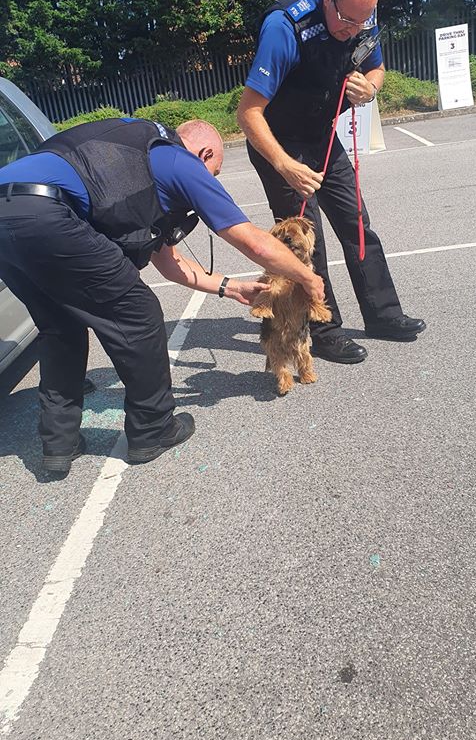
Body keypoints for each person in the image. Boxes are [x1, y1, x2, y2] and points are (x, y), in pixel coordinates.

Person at [0, 116, 324, 473]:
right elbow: (253, 241)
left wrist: (229, 287)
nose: (209, 181)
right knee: (139, 313)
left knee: (60, 327)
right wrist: (308, 278)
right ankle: (153, 429)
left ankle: (59, 443)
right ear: (204, 153)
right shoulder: (179, 161)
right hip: (48, 212)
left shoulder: (131, 163)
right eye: (213, 172)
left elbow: (169, 263)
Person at [237, 0, 426, 365]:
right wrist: (284, 165)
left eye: (362, 21)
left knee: (357, 223)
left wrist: (369, 89)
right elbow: (247, 114)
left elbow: (377, 71)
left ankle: (382, 315)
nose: (353, 30)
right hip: (278, 142)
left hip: (322, 136)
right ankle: (324, 330)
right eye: (346, 20)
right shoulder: (285, 27)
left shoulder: (362, 15)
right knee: (308, 241)